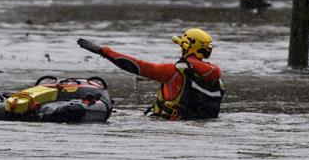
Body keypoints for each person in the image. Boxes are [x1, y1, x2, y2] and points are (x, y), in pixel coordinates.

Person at [77, 28, 224, 120]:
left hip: (168, 127)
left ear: (186, 47)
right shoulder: (216, 79)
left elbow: (137, 66)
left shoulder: (173, 71)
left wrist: (104, 52)